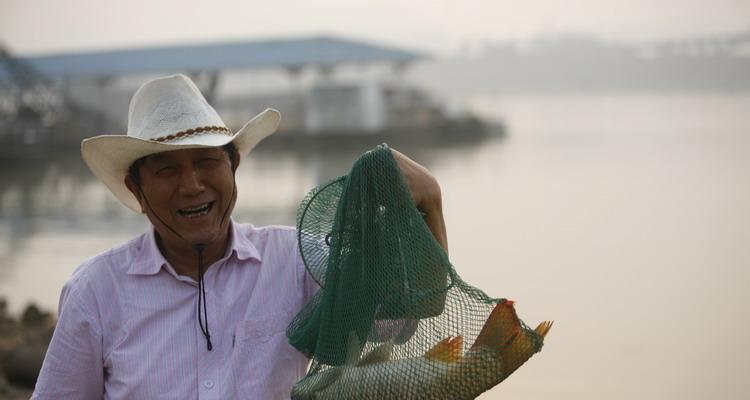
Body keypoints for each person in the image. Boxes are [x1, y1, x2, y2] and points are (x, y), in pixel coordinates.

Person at [31, 74, 447, 399]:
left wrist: (430, 203)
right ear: (136, 189)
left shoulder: (294, 258)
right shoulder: (96, 291)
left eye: (207, 161)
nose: (192, 185)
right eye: (166, 170)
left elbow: (402, 316)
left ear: (233, 168)